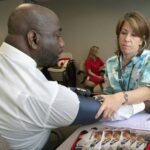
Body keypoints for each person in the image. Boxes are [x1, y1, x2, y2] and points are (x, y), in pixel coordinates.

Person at [95, 11, 150, 120]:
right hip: (115, 116)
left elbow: (148, 91)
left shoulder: (148, 59)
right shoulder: (110, 63)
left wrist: (121, 97)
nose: (127, 39)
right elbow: (108, 92)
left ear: (141, 40)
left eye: (134, 35)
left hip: (142, 116)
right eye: (123, 33)